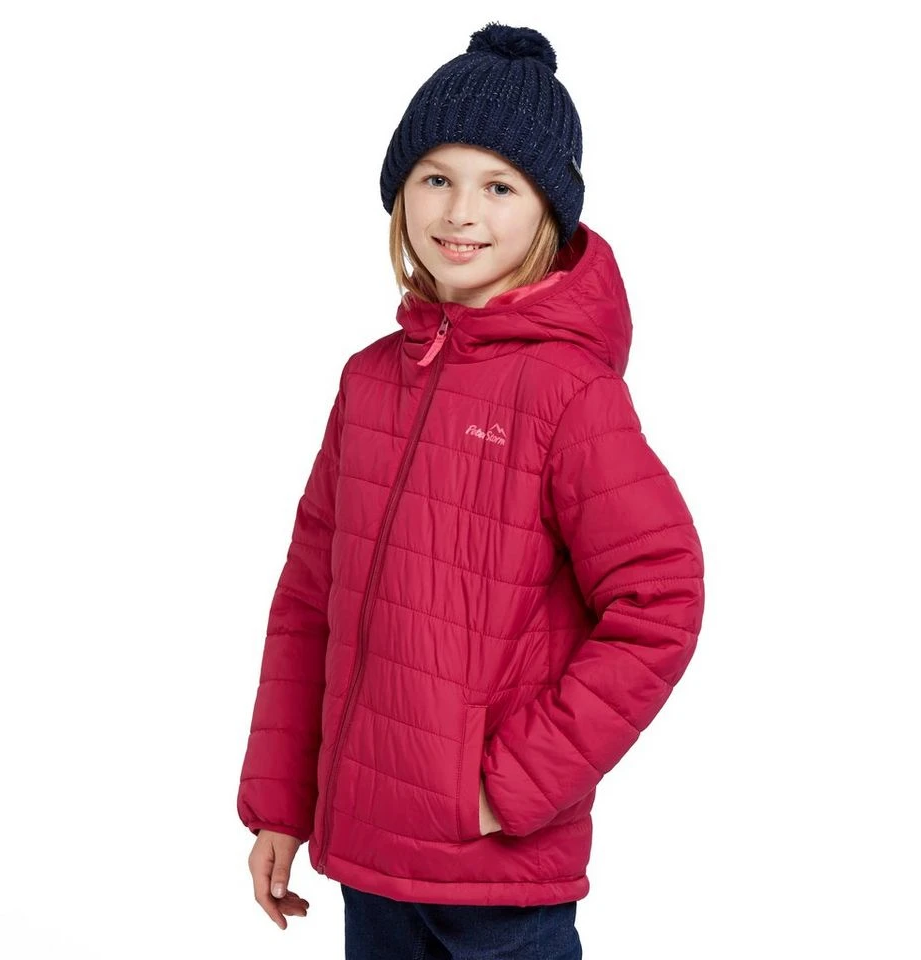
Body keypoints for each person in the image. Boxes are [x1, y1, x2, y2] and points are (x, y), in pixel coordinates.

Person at [237, 21, 705, 959]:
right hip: (370, 864)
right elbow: (309, 600)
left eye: (499, 186)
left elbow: (661, 600)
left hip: (498, 879)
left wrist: (514, 784)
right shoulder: (370, 380)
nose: (460, 211)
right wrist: (282, 801)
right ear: (399, 194)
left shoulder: (569, 393)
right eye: (435, 178)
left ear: (548, 212)